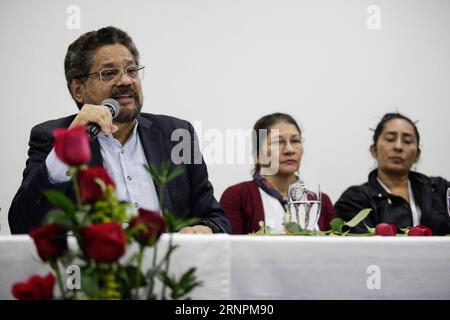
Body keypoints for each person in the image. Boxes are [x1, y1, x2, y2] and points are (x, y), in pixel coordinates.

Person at [8, 26, 230, 235]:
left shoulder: (177, 134)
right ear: (78, 90)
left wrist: (205, 229)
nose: (126, 80)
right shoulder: (51, 137)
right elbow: (22, 226)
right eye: (109, 73)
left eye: (131, 70)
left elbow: (214, 217)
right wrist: (66, 150)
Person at [335, 112, 450, 235]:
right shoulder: (355, 198)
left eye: (407, 141)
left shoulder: (439, 190)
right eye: (390, 139)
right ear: (374, 150)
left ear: (417, 154)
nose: (398, 146)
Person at [220, 113, 336, 234]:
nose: (290, 150)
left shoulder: (320, 200)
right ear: (258, 156)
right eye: (278, 142)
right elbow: (231, 249)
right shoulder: (237, 196)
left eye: (295, 141)